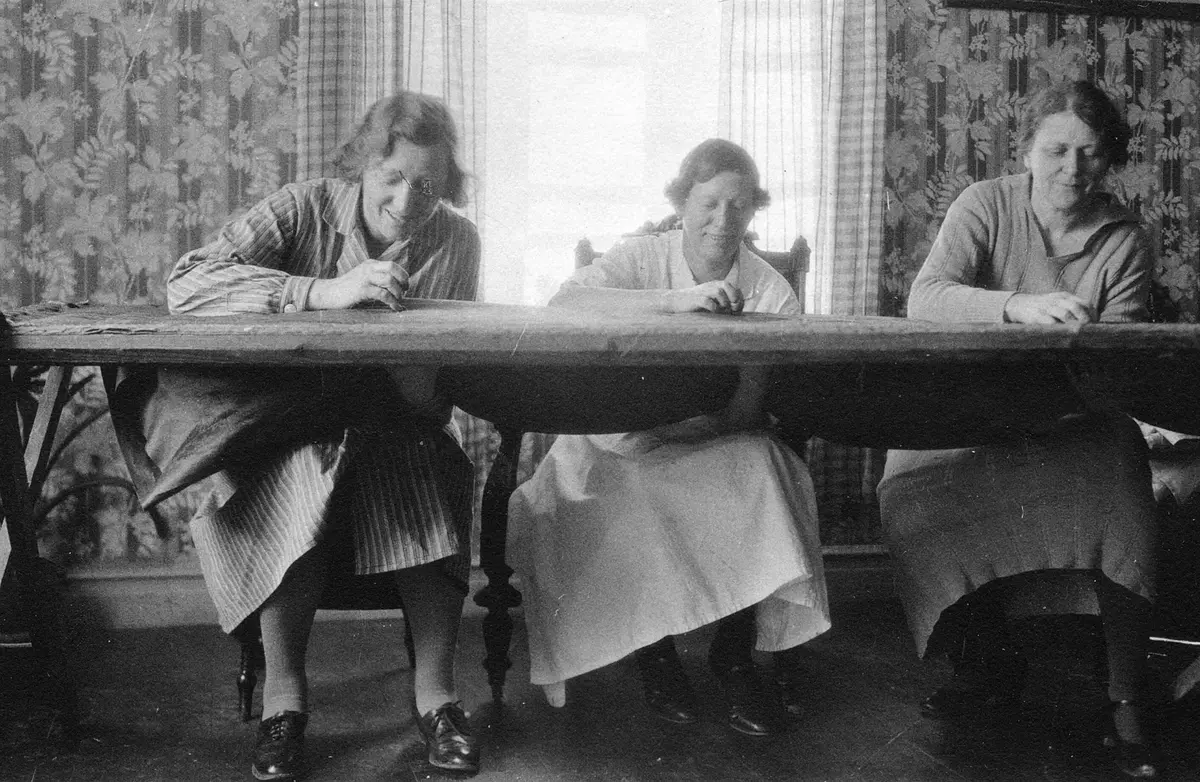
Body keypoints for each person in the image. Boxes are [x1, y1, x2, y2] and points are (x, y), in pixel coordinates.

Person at [164, 92, 482, 780]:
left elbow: (437, 391)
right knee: (301, 473)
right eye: (392, 178)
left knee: (426, 466)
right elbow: (187, 283)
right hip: (287, 424)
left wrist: (418, 380)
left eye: (428, 185)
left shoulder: (457, 240)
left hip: (396, 424)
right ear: (362, 165)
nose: (408, 200)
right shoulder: (301, 208)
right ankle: (284, 703)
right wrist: (317, 292)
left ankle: (438, 698)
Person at [877, 80, 1158, 779]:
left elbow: (1118, 361)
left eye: (1090, 153)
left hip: (1073, 419)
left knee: (1124, 482)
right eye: (1056, 150)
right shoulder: (984, 204)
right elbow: (926, 298)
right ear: (1027, 150)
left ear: (1109, 159)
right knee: (907, 487)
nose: (1072, 169)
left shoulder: (1124, 239)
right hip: (966, 412)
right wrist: (1016, 307)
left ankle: (1126, 690)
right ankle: (984, 660)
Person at [507, 139, 831, 737]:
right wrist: (677, 302)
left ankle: (734, 654)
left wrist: (707, 410)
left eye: (739, 206)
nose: (723, 220)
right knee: (626, 491)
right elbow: (564, 301)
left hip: (711, 437)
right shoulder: (643, 256)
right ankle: (654, 655)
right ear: (683, 203)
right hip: (617, 436)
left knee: (769, 470)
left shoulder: (769, 291)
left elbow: (745, 414)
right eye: (709, 203)